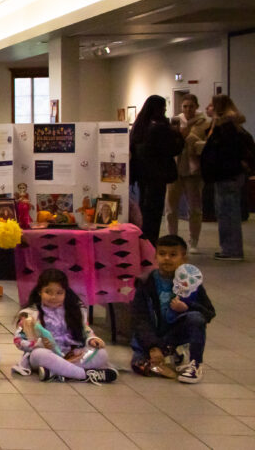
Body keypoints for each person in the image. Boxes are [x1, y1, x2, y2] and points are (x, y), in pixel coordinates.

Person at [130, 235, 215, 383]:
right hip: (153, 333)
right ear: (155, 256)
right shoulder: (145, 282)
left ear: (184, 258)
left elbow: (209, 312)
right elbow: (139, 318)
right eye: (162, 254)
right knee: (139, 365)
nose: (167, 258)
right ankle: (164, 353)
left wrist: (187, 307)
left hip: (175, 333)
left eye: (173, 255)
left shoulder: (191, 283)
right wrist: (152, 346)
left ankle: (195, 364)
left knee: (196, 318)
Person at [14, 269, 117, 383]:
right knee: (40, 355)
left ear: (65, 293)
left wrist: (92, 340)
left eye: (59, 293)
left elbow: (86, 330)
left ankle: (57, 373)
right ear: (40, 292)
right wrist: (37, 343)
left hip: (72, 354)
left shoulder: (75, 311)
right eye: (48, 292)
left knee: (101, 353)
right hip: (46, 354)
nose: (53, 297)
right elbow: (19, 340)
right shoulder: (30, 314)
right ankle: (83, 375)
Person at [196, 95, 253, 261]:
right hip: (230, 174)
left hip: (227, 175)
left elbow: (224, 151)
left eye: (211, 105)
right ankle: (230, 248)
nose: (208, 107)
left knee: (228, 213)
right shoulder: (234, 125)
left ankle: (232, 249)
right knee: (227, 212)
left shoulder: (226, 126)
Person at [130, 95, 185, 243]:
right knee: (154, 211)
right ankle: (151, 242)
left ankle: (142, 240)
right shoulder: (160, 128)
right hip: (157, 175)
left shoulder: (138, 127)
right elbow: (172, 149)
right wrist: (178, 135)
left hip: (141, 174)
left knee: (143, 208)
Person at [166, 95, 210, 252]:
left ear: (196, 106)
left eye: (191, 106)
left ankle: (194, 241)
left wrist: (188, 136)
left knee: (195, 208)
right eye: (185, 106)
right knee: (171, 208)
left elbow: (205, 145)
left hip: (193, 170)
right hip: (175, 170)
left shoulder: (204, 122)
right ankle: (173, 237)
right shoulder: (175, 122)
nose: (188, 109)